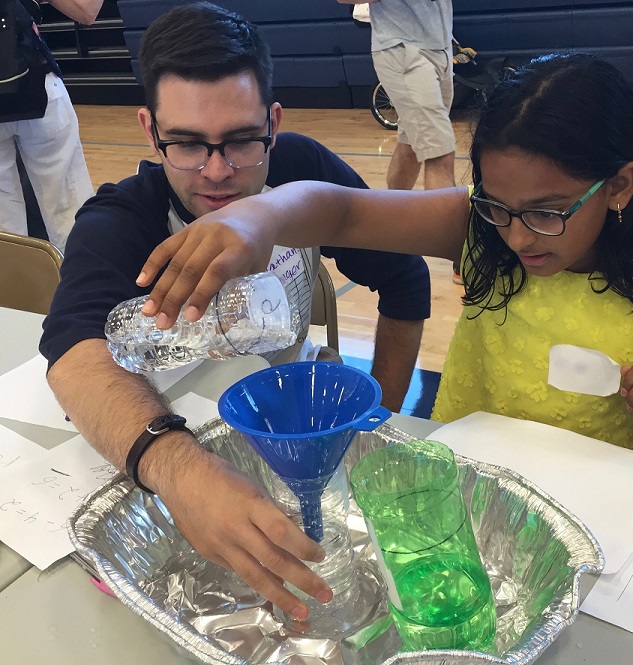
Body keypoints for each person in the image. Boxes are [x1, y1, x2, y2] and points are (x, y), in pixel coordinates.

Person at [137, 53, 633, 474]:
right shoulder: (480, 228)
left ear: (618, 186)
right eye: (498, 205)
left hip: (615, 494)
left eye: (548, 210)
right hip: (478, 476)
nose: (518, 234)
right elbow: (344, 210)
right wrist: (260, 213)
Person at [40, 2, 430, 620]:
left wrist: (367, 426)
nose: (217, 171)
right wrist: (179, 468)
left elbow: (405, 279)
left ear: (273, 123)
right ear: (149, 130)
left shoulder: (302, 173)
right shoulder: (121, 220)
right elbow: (70, 350)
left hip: (289, 431)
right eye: (187, 144)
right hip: (176, 439)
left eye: (243, 142)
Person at [338, 0, 462, 282]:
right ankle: (461, 257)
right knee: (439, 152)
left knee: (412, 144)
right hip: (402, 49)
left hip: (439, 47)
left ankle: (389, 224)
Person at [0, 0, 100, 250]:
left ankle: (19, 286)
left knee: (4, 228)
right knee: (68, 210)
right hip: (33, 81)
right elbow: (87, 10)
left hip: (31, 85)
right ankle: (82, 282)